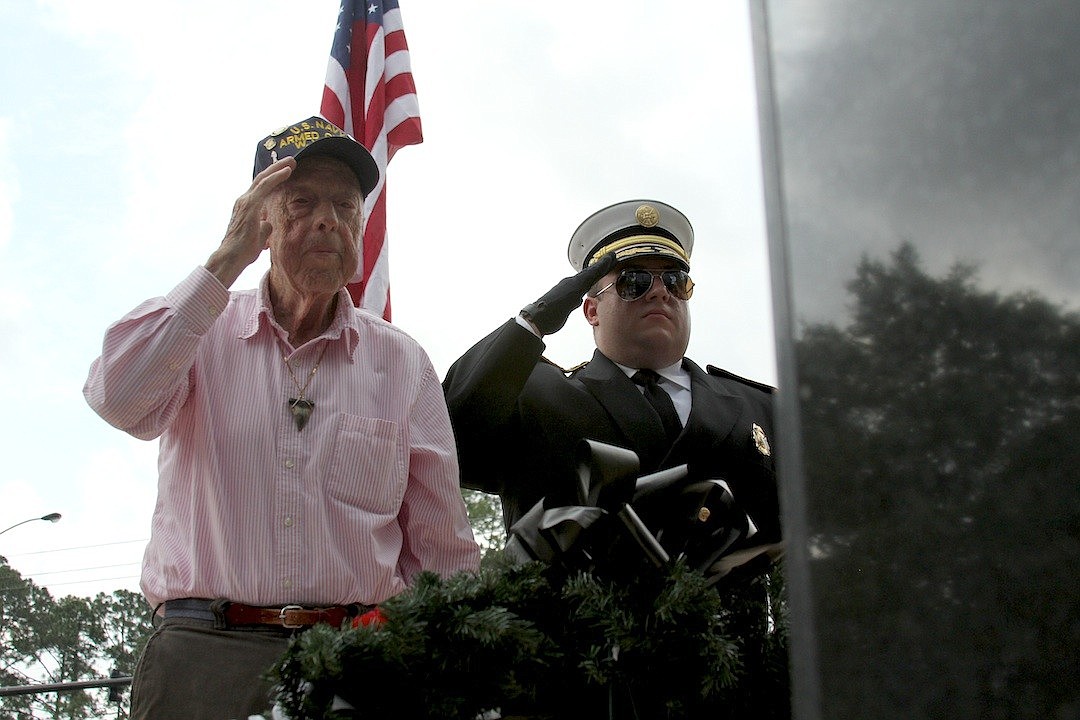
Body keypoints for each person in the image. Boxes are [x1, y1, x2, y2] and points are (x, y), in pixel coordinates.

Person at [83, 116, 481, 720]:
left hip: (358, 660)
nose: (327, 220)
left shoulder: (401, 361)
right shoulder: (199, 332)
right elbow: (117, 398)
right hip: (203, 656)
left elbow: (441, 544)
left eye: (345, 206)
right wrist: (223, 261)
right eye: (301, 202)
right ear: (260, 221)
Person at [442, 199, 783, 717]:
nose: (660, 292)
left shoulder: (759, 408)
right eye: (633, 281)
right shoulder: (539, 392)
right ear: (590, 306)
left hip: (729, 686)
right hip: (573, 685)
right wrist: (534, 321)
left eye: (675, 280)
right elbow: (454, 434)